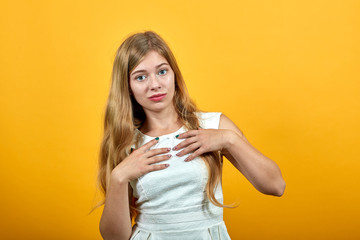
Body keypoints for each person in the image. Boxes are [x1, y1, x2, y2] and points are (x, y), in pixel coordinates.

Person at [96, 31, 286, 240]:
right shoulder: (126, 142)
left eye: (162, 71)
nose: (155, 84)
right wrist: (119, 177)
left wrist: (229, 140)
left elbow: (276, 186)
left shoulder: (213, 125)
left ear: (174, 74)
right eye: (140, 77)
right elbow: (114, 238)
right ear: (128, 88)